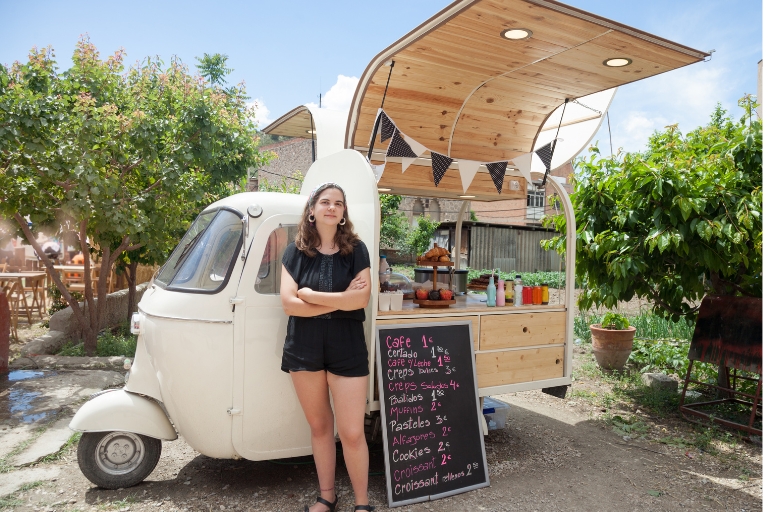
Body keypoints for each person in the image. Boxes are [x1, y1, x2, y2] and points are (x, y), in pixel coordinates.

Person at [280, 182, 374, 512]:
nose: (332, 207)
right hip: (303, 349)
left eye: (338, 203)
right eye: (325, 202)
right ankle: (327, 496)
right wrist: (340, 301)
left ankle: (362, 503)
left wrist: (312, 295)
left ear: (344, 213)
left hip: (347, 348)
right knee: (320, 428)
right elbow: (289, 305)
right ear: (312, 210)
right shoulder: (294, 252)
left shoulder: (357, 250)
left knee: (350, 431)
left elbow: (361, 298)